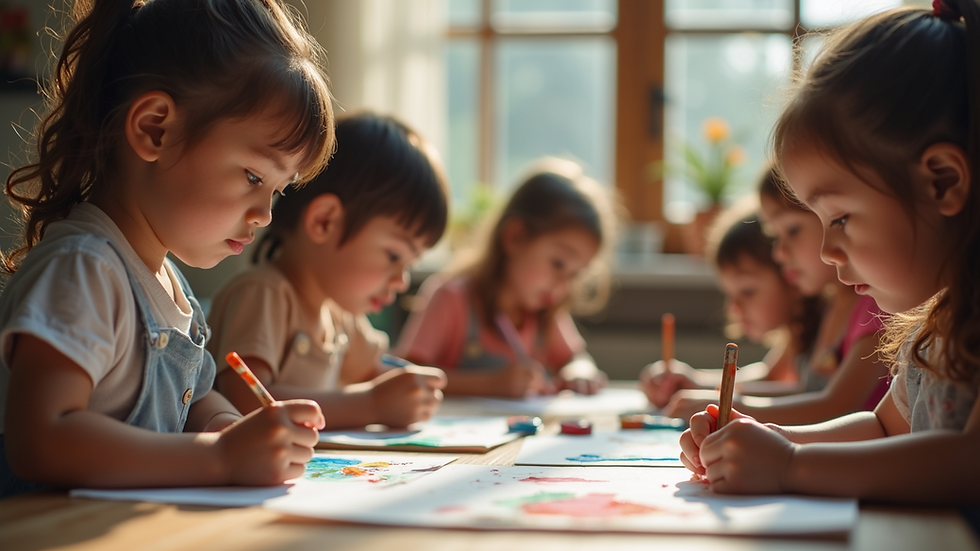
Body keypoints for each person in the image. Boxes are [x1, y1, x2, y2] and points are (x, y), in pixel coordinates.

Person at [0, 0, 333, 498]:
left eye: (278, 190)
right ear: (155, 128)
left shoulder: (169, 285)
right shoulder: (84, 268)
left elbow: (198, 402)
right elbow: (42, 439)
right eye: (253, 176)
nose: (265, 213)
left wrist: (231, 430)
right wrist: (220, 458)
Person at [680, 2, 980, 504]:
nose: (827, 251)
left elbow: (969, 462)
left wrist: (791, 466)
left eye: (839, 218)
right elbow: (884, 429)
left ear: (942, 182)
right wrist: (768, 440)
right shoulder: (936, 330)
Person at [207, 112, 449, 429]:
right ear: (324, 221)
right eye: (393, 255)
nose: (401, 280)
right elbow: (250, 402)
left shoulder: (339, 315)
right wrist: (373, 405)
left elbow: (377, 374)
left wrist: (410, 388)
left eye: (409, 265)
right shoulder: (262, 293)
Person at [661, 167, 890, 423]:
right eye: (775, 236)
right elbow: (798, 390)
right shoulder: (833, 305)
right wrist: (703, 388)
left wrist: (727, 407)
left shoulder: (875, 307)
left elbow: (838, 407)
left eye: (792, 230)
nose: (779, 254)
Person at [396, 158, 617, 398]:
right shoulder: (450, 298)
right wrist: (489, 385)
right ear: (515, 237)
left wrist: (579, 371)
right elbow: (406, 376)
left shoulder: (546, 309)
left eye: (574, 275)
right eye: (558, 264)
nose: (563, 286)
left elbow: (575, 358)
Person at [640, 198, 823, 408]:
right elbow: (769, 377)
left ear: (791, 275)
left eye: (747, 290)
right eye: (729, 294)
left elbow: (799, 391)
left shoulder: (828, 322)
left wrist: (715, 400)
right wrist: (694, 384)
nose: (732, 308)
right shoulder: (798, 334)